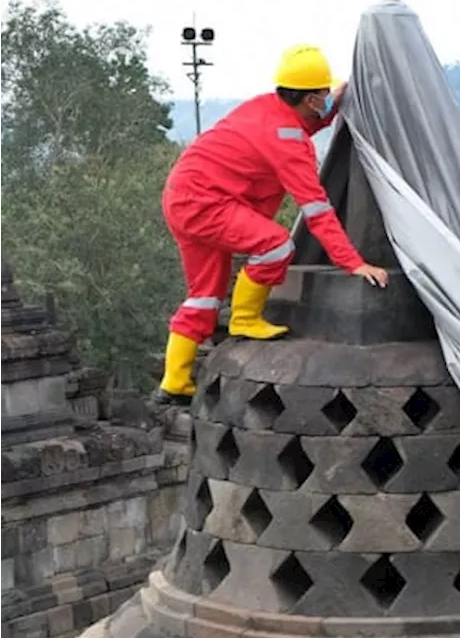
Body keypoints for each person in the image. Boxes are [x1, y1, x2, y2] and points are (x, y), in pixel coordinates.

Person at [154, 43, 390, 406]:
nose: (327, 97)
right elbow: (317, 210)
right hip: (206, 201)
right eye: (323, 93)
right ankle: (245, 318)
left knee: (204, 294)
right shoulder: (286, 141)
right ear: (310, 98)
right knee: (275, 244)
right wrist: (353, 262)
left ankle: (174, 383)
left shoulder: (268, 108)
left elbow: (302, 122)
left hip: (182, 197)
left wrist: (335, 103)